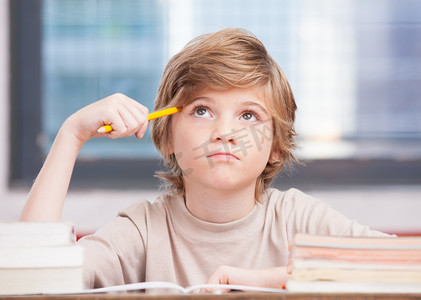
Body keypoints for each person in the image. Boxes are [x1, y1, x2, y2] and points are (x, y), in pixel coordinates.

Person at [21, 28, 389, 291]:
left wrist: (259, 281)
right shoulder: (142, 231)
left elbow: (405, 266)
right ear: (165, 136)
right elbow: (28, 276)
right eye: (201, 110)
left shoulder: (299, 220)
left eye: (249, 116)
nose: (224, 132)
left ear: (276, 146)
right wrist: (71, 135)